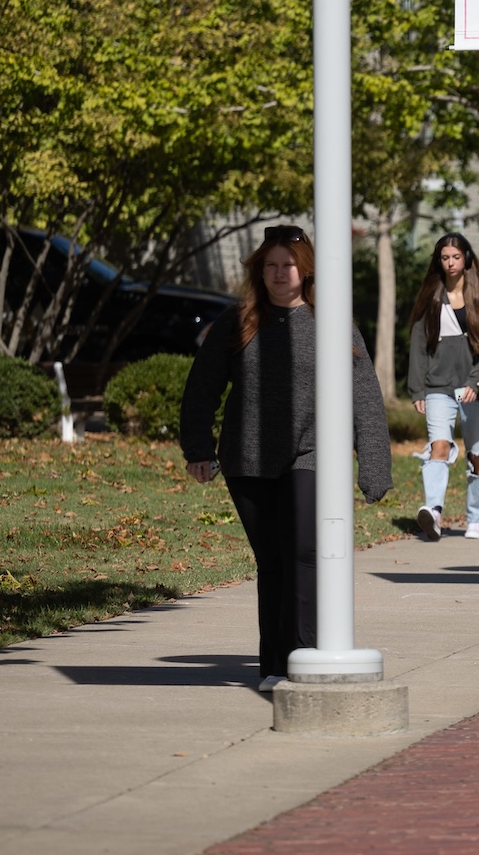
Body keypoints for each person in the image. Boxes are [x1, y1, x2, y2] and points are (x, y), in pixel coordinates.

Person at [179, 226, 392, 691]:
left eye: (289, 265)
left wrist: (374, 464)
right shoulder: (237, 323)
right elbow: (202, 388)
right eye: (271, 265)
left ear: (307, 269)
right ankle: (275, 665)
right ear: (260, 270)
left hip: (312, 452)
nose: (280, 274)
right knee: (272, 561)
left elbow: (364, 393)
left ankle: (304, 655)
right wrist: (197, 448)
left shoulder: (331, 321)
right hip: (248, 456)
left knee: (303, 552)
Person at [405, 234, 479, 541]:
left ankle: (476, 517)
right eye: (445, 257)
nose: (450, 263)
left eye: (456, 257)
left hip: (475, 388)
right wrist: (417, 389)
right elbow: (419, 345)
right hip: (439, 386)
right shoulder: (432, 297)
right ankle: (433, 512)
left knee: (477, 452)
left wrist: (475, 382)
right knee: (439, 446)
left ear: (468, 259)